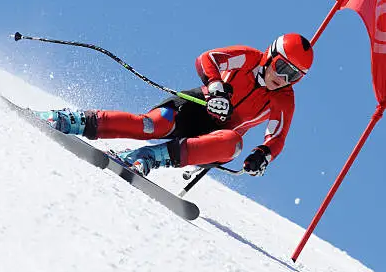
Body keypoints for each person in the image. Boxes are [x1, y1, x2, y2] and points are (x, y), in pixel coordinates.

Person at [35, 33, 313, 177]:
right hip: (196, 106)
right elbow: (208, 59)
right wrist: (216, 89)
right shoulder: (248, 58)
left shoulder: (284, 100)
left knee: (233, 144)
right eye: (281, 67)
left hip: (213, 139)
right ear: (270, 55)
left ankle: (148, 157)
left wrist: (263, 155)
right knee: (151, 125)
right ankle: (72, 120)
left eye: (294, 76)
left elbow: (276, 138)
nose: (283, 79)